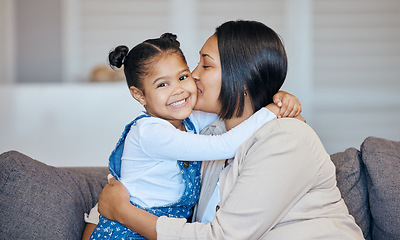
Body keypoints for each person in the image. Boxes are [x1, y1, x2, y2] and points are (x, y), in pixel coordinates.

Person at [94, 20, 365, 239]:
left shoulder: (287, 138)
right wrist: (104, 212)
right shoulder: (208, 133)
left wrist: (122, 212)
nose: (193, 76)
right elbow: (148, 180)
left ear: (244, 78)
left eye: (205, 65)